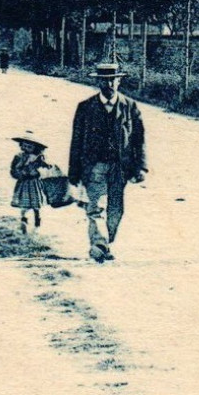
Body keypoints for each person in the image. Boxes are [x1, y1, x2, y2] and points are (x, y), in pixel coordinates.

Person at [67, 62, 148, 263]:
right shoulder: (85, 108)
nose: (109, 84)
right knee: (95, 206)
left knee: (116, 210)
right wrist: (74, 172)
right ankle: (99, 243)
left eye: (113, 80)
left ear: (119, 81)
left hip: (120, 167)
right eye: (104, 81)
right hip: (94, 166)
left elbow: (139, 140)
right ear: (98, 82)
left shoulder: (130, 107)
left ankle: (105, 243)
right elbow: (76, 140)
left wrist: (140, 167)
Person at [10, 132, 54, 233]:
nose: (26, 148)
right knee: (24, 204)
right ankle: (24, 220)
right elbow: (13, 170)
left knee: (36, 204)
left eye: (29, 147)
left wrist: (42, 169)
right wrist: (21, 173)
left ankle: (37, 223)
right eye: (24, 145)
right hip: (24, 183)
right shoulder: (18, 157)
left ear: (36, 147)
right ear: (21, 145)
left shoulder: (39, 158)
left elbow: (48, 167)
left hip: (35, 183)